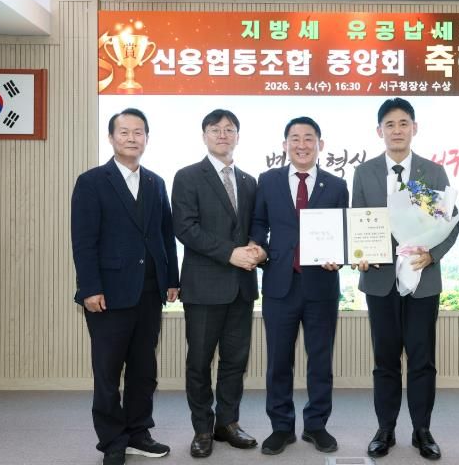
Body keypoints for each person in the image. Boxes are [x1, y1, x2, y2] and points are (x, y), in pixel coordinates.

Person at [352, 97, 459, 461]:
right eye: (390, 124)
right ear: (379, 131)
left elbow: (449, 225)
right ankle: (385, 429)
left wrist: (433, 255)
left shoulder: (433, 172)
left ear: (415, 128)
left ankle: (422, 431)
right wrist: (359, 254)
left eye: (403, 123)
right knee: (384, 359)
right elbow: (358, 220)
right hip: (379, 279)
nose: (396, 130)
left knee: (421, 359)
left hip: (421, 279)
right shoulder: (365, 173)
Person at [71, 108, 179, 465]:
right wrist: (90, 288)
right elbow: (83, 241)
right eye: (124, 132)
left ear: (147, 138)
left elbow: (165, 234)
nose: (132, 138)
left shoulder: (155, 182)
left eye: (139, 132)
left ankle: (138, 432)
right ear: (111, 137)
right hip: (107, 293)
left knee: (143, 369)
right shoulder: (91, 182)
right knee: (108, 371)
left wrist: (172, 279)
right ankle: (112, 441)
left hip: (149, 291)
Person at [249, 116, 349, 456]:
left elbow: (343, 230)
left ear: (320, 144)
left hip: (321, 285)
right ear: (285, 144)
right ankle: (281, 427)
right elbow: (259, 222)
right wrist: (258, 246)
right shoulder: (269, 180)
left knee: (320, 360)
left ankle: (316, 425)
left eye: (309, 138)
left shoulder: (336, 185)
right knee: (278, 361)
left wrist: (340, 257)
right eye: (295, 138)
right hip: (280, 283)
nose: (302, 145)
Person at [171, 109, 259, 458]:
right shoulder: (187, 176)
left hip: (242, 287)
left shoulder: (250, 181)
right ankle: (202, 429)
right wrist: (230, 254)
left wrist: (257, 249)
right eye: (215, 129)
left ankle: (228, 423)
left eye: (229, 129)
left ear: (238, 136)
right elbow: (185, 228)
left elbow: (257, 226)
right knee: (199, 361)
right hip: (204, 287)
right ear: (204, 135)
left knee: (235, 361)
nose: (223, 135)